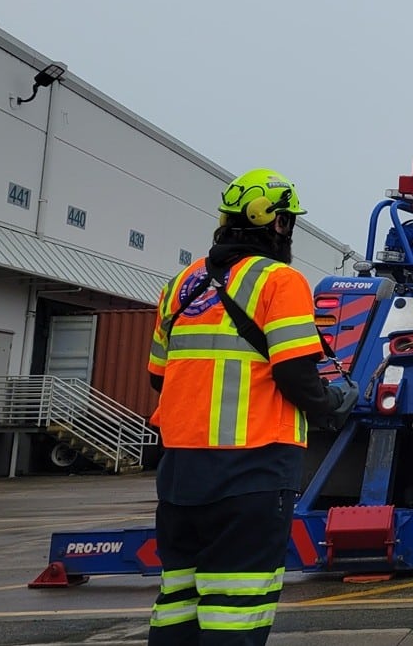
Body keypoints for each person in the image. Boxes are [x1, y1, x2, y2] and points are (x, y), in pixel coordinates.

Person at [145, 168, 356, 645]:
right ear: (277, 224)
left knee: (178, 600)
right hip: (253, 468)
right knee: (236, 608)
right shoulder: (279, 281)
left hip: (179, 470)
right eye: (288, 222)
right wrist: (333, 405)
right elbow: (295, 374)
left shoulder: (179, 285)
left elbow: (157, 376)